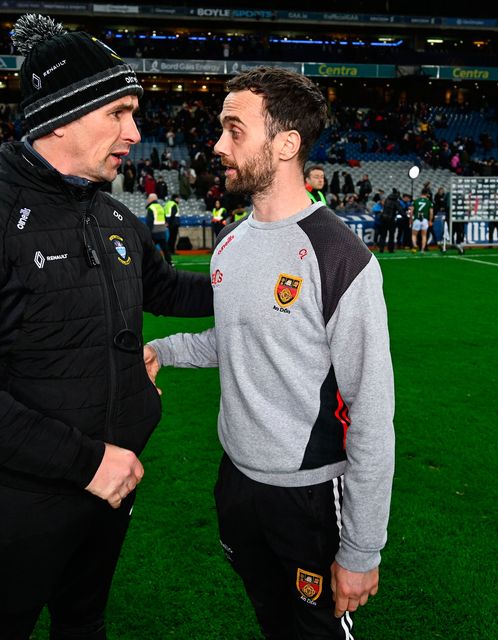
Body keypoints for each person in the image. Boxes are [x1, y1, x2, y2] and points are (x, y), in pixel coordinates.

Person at [0, 15, 213, 640]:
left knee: (83, 623)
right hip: (20, 499)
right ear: (63, 116)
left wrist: (265, 287)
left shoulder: (116, 217)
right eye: (120, 113)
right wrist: (86, 461)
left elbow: (171, 290)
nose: (135, 132)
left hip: (114, 482)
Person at [144, 67, 395, 640]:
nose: (217, 145)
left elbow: (373, 415)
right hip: (235, 483)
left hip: (307, 499)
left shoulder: (342, 259)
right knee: (271, 623)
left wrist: (360, 548)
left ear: (286, 145)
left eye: (235, 130)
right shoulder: (231, 243)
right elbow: (234, 340)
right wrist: (161, 350)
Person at [145, 192, 171, 265]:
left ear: (151, 199)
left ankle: (149, 263)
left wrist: (148, 232)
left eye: (149, 198)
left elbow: (149, 222)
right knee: (165, 249)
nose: (148, 200)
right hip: (162, 232)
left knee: (149, 249)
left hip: (154, 232)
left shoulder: (151, 208)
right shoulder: (160, 207)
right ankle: (170, 263)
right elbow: (166, 220)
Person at [411, 188, 433, 253]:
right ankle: (422, 249)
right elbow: (431, 212)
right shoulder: (429, 202)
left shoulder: (415, 201)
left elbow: (411, 211)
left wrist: (411, 219)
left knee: (414, 235)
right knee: (424, 235)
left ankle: (415, 245)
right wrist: (430, 221)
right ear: (426, 194)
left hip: (417, 219)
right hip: (424, 220)